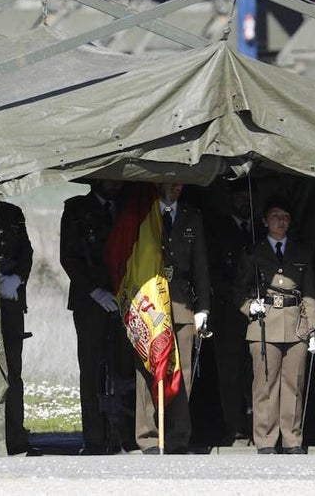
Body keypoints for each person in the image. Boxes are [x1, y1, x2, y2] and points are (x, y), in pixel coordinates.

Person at [241, 197, 315, 455]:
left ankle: (292, 439)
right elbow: (236, 289)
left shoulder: (300, 253)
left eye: (285, 216)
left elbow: (309, 294)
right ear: (264, 221)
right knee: (265, 385)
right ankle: (265, 440)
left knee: (293, 385)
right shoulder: (253, 253)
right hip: (264, 325)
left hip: (296, 326)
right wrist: (248, 305)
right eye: (275, 216)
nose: (281, 221)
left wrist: (314, 330)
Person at [135, 182, 210, 454]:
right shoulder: (143, 214)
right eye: (170, 184)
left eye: (179, 184)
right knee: (148, 370)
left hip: (181, 303)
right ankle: (149, 437)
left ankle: (178, 436)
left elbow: (200, 265)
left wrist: (203, 308)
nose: (175, 188)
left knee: (183, 372)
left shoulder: (192, 217)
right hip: (150, 304)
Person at [59, 179, 126, 455]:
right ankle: (95, 437)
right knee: (91, 369)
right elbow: (69, 257)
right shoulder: (76, 209)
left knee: (123, 368)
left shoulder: (126, 207)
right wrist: (95, 291)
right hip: (90, 301)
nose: (114, 184)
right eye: (109, 178)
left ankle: (123, 436)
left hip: (124, 297)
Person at [200, 181, 257, 444]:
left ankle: (258, 427)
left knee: (258, 372)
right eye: (240, 198)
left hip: (258, 313)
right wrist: (238, 300)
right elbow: (211, 271)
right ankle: (234, 427)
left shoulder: (258, 229)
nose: (244, 202)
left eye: (248, 198)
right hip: (229, 312)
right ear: (230, 200)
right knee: (230, 373)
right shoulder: (218, 230)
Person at [0, 202, 36, 456]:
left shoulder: (13, 212)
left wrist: (17, 279)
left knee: (13, 371)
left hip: (9, 299)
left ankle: (15, 437)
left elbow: (26, 252)